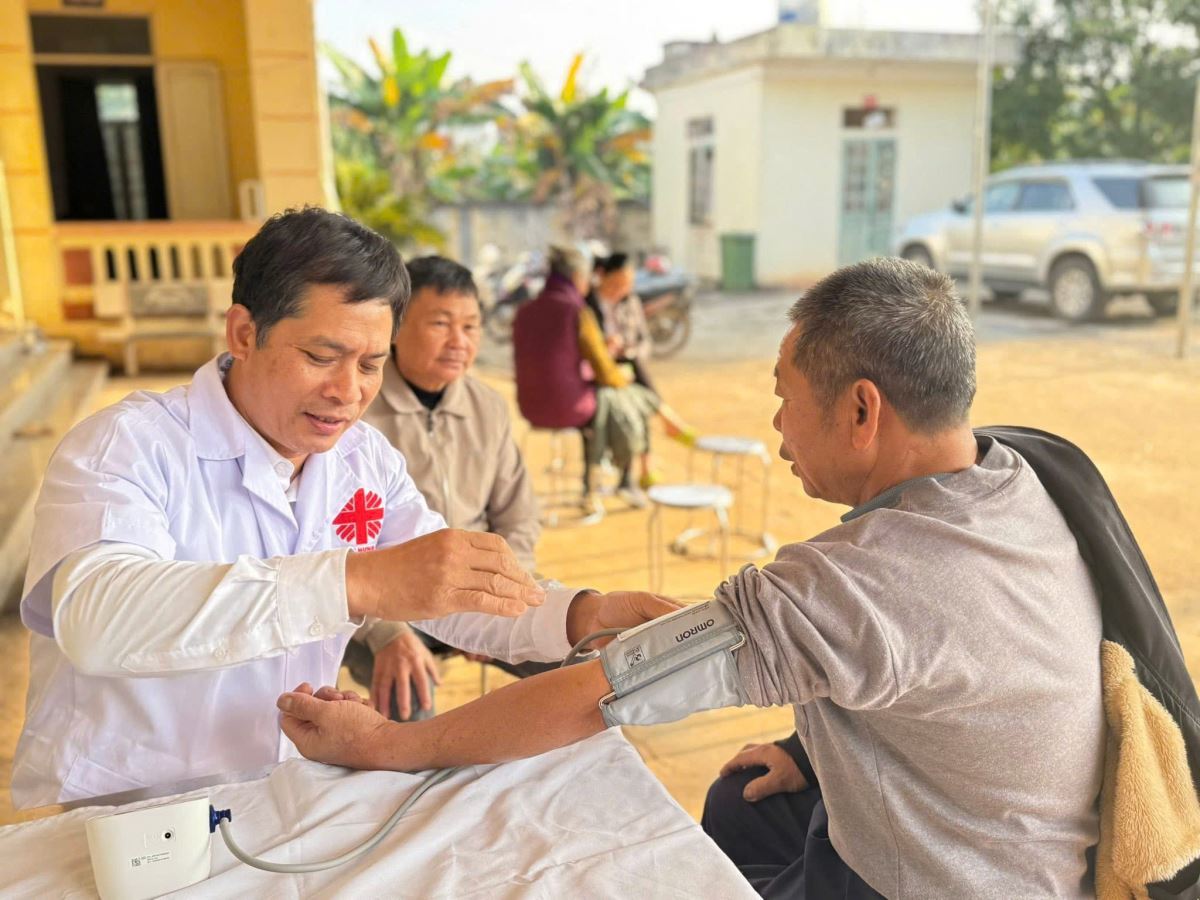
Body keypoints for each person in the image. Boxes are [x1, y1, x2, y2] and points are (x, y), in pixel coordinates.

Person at [277, 257, 1107, 899]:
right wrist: (811, 751)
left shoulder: (855, 583)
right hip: (1028, 852)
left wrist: (389, 745)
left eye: (784, 398)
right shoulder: (1025, 475)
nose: (776, 426)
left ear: (862, 410)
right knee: (743, 800)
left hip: (935, 879)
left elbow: (600, 690)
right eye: (324, 355)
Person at [12, 207, 674, 809]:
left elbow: (455, 589)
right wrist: (356, 582)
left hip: (287, 791)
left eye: (370, 364)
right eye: (321, 356)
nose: (348, 391)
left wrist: (581, 615)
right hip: (134, 810)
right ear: (243, 332)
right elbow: (98, 616)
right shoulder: (128, 446)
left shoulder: (363, 460)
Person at [345, 255, 548, 722]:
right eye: (440, 323)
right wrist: (386, 632)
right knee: (409, 700)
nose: (459, 341)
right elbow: (337, 544)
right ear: (395, 328)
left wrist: (496, 594)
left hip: (477, 591)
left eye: (470, 326)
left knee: (574, 662)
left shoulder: (487, 407)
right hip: (385, 605)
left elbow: (518, 517)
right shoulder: (355, 412)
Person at [513, 245, 660, 509]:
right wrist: (622, 379)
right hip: (570, 408)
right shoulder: (577, 310)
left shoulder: (525, 310)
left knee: (608, 398)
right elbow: (604, 368)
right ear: (577, 278)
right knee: (625, 400)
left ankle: (601, 484)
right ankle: (611, 483)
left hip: (529, 407)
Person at [586, 252, 696, 475]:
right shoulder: (587, 304)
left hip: (627, 369)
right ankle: (666, 421)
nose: (621, 289)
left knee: (637, 385)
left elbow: (644, 342)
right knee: (639, 391)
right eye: (616, 283)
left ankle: (646, 466)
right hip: (598, 371)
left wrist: (629, 349)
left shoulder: (630, 301)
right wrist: (605, 347)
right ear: (602, 276)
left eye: (626, 284)